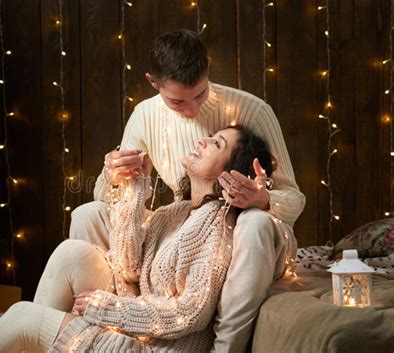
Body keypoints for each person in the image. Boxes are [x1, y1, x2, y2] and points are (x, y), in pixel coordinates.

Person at [69, 30, 305, 352]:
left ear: (207, 67)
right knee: (88, 214)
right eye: (177, 101)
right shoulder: (146, 115)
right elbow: (106, 197)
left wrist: (263, 199)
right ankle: (122, 326)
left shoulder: (252, 110)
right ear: (153, 82)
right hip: (192, 216)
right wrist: (113, 176)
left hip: (249, 224)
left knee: (255, 224)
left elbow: (294, 199)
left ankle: (224, 348)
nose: (192, 110)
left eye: (200, 94)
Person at [0, 125, 280, 352]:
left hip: (154, 349)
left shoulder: (219, 225)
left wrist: (108, 308)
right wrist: (135, 190)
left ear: (231, 172)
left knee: (24, 318)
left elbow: (191, 313)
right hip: (139, 330)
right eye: (210, 136)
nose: (203, 141)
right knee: (72, 253)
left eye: (217, 144)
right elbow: (127, 267)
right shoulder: (174, 213)